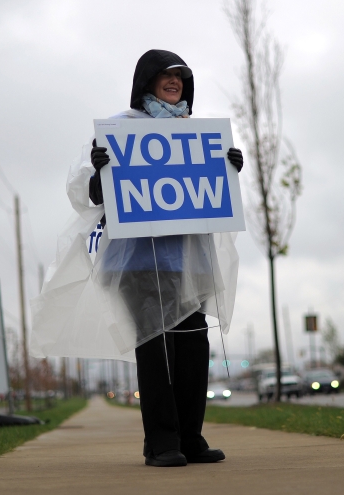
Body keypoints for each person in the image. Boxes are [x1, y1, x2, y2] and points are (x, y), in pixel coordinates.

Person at [88, 49, 243, 467]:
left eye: (181, 76)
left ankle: (190, 438)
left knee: (193, 348)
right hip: (138, 263)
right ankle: (161, 443)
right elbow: (93, 198)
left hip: (190, 264)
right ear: (148, 82)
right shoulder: (120, 128)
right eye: (166, 75)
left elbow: (212, 195)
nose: (174, 81)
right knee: (154, 350)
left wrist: (229, 168)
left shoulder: (197, 133)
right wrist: (97, 172)